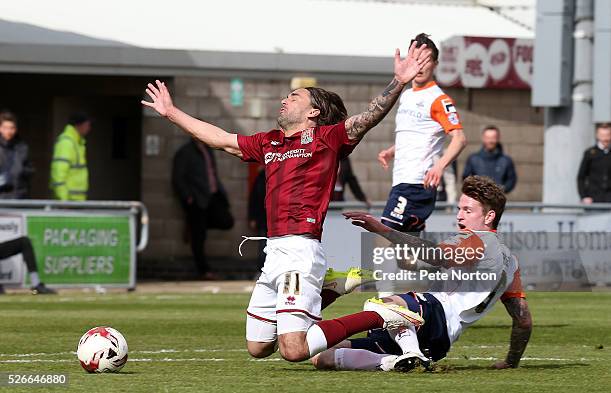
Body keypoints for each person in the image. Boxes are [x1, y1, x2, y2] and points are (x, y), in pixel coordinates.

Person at [142, 41, 433, 363]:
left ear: (314, 112)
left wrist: (400, 82)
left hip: (300, 251)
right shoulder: (270, 141)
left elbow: (369, 117)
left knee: (293, 350)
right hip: (274, 252)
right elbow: (221, 139)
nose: (284, 100)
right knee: (259, 347)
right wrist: (171, 113)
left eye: (294, 97)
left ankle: (380, 315)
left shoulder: (328, 138)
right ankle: (332, 289)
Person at [310, 176, 532, 372]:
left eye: (468, 210)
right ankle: (394, 361)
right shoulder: (510, 263)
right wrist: (511, 362)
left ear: (489, 216)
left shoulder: (480, 240)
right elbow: (523, 321)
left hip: (434, 314)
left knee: (384, 303)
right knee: (323, 357)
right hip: (440, 340)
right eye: (459, 209)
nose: (460, 216)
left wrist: (381, 229)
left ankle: (411, 352)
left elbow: (436, 255)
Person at [378, 33, 466, 234]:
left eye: (425, 60)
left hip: (417, 183)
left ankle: (436, 260)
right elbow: (416, 135)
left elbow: (459, 138)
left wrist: (439, 166)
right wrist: (392, 151)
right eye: (415, 59)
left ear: (435, 64)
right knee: (406, 254)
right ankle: (434, 264)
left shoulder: (438, 99)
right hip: (402, 180)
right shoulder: (407, 95)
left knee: (384, 233)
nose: (420, 65)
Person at [172, 138, 234, 280]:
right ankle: (203, 270)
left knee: (227, 221)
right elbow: (178, 178)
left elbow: (213, 173)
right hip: (196, 199)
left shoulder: (208, 149)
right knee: (198, 238)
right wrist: (188, 197)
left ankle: (192, 225)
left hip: (212, 196)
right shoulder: (185, 152)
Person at [463, 125, 517, 193]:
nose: (490, 141)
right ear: (483, 138)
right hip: (478, 200)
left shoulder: (506, 160)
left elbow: (511, 180)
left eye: (493, 138)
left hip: (498, 200)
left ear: (498, 138)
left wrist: (500, 191)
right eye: (488, 137)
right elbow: (466, 179)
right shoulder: (473, 159)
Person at [50, 112, 91, 201]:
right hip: (68, 202)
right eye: (87, 125)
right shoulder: (67, 143)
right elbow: (58, 173)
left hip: (76, 201)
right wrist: (64, 200)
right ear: (79, 125)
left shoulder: (77, 143)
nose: (89, 128)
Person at [0, 111, 34, 199]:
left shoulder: (22, 147)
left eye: (12, 128)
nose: (9, 131)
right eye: (5, 128)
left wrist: (20, 172)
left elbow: (30, 169)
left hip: (18, 196)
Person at [577, 123, 611, 203]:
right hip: (593, 199)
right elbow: (581, 177)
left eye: (607, 135)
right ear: (597, 136)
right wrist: (584, 196)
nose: (605, 139)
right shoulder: (590, 153)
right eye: (602, 136)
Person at [248, 167, 267, 271]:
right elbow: (254, 199)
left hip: (276, 218)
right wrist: (252, 217)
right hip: (262, 217)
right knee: (263, 246)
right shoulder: (261, 177)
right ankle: (262, 270)